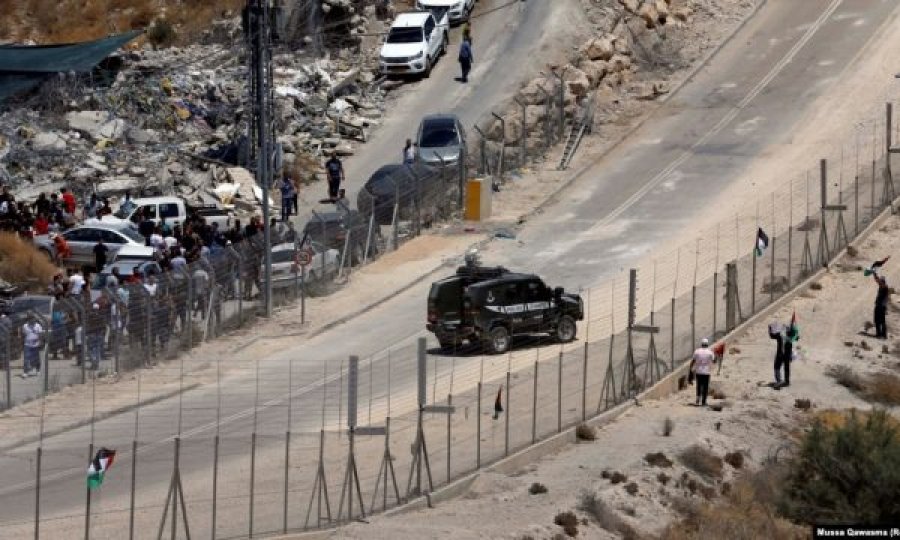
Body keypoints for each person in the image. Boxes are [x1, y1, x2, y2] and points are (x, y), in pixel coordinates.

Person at [688, 338, 715, 406]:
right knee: (705, 386)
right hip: (706, 372)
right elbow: (713, 360)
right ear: (707, 344)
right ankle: (704, 401)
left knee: (699, 386)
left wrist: (690, 369)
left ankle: (697, 399)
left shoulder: (697, 351)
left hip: (698, 371)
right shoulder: (710, 352)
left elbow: (693, 361)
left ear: (701, 344)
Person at [874, 274, 890, 339]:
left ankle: (883, 335)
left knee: (882, 321)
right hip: (879, 305)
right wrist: (874, 273)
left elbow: (883, 298)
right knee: (877, 320)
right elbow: (877, 280)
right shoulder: (881, 286)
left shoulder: (885, 288)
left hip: (882, 306)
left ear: (883, 282)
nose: (879, 282)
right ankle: (879, 334)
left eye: (880, 281)